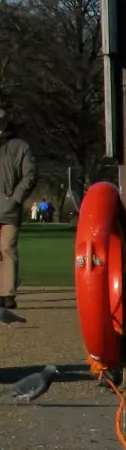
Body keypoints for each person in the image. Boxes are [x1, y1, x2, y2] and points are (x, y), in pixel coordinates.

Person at [0, 109, 33, 311]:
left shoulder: (20, 147)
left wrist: (15, 198)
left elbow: (29, 175)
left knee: (7, 248)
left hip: (9, 208)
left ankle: (8, 293)